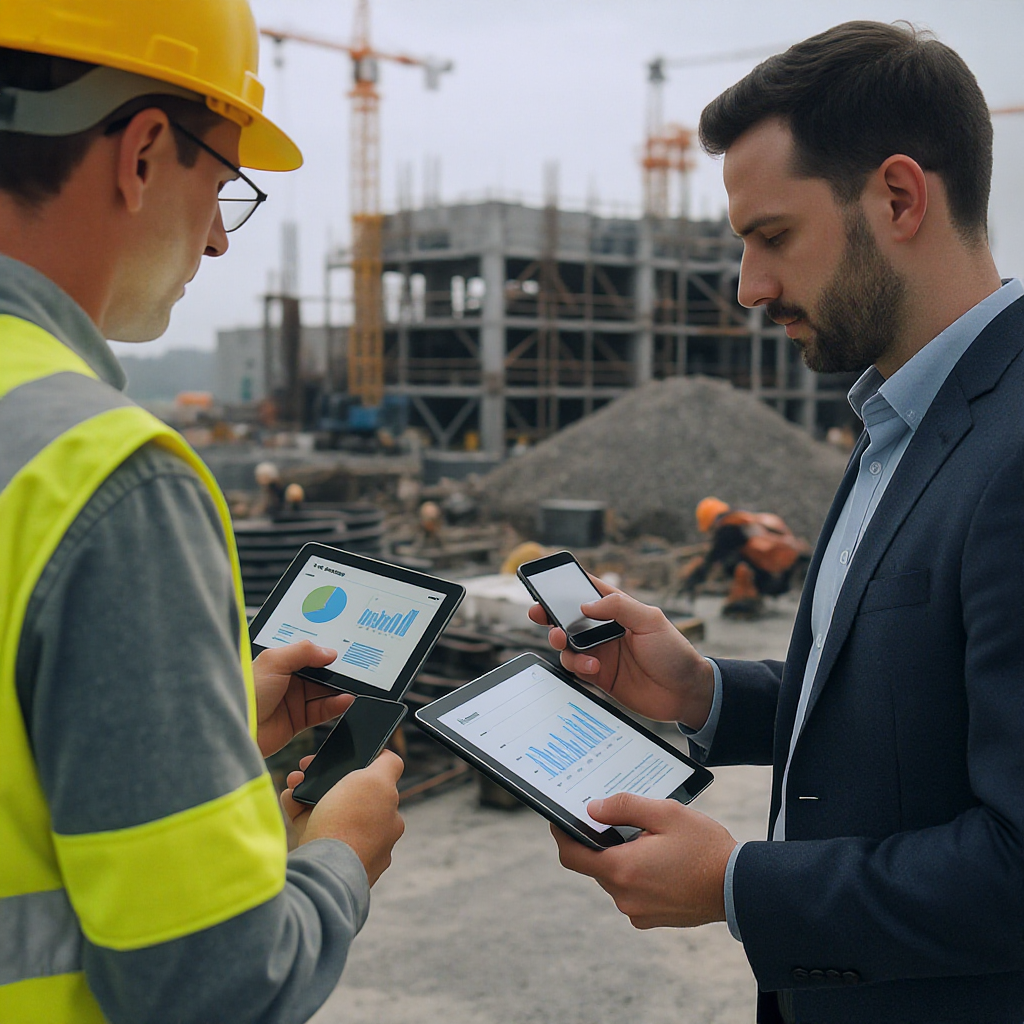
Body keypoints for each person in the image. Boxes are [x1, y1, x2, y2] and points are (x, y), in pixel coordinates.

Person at [530, 21, 1024, 1024]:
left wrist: (738, 885)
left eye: (772, 238)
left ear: (896, 197)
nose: (750, 288)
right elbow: (908, 700)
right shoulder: (893, 420)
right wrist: (704, 689)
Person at [0, 4, 404, 1022]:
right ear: (141, 152)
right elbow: (212, 988)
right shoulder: (102, 473)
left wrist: (192, 715)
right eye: (223, 182)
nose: (221, 238)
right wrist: (340, 859)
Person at [682, 497, 808, 617]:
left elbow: (713, 559)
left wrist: (691, 582)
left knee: (730, 563)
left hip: (772, 579)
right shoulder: (745, 521)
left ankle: (745, 599)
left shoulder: (728, 529)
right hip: (785, 572)